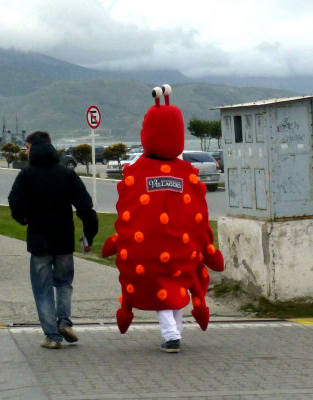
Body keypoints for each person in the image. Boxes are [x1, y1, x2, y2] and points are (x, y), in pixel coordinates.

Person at [102, 85, 224, 353]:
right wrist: (207, 248)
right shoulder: (186, 173)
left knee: (164, 288)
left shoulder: (138, 172)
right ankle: (174, 333)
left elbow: (128, 210)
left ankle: (171, 336)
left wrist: (119, 240)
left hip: (149, 249)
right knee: (176, 287)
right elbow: (199, 215)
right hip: (181, 248)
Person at [8, 131, 98, 349]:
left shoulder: (27, 175)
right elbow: (85, 206)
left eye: (27, 148)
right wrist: (89, 234)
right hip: (64, 239)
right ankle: (65, 322)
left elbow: (15, 201)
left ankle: (52, 336)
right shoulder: (66, 174)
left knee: (43, 288)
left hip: (40, 241)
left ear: (34, 149)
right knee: (64, 283)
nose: (26, 152)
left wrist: (24, 218)